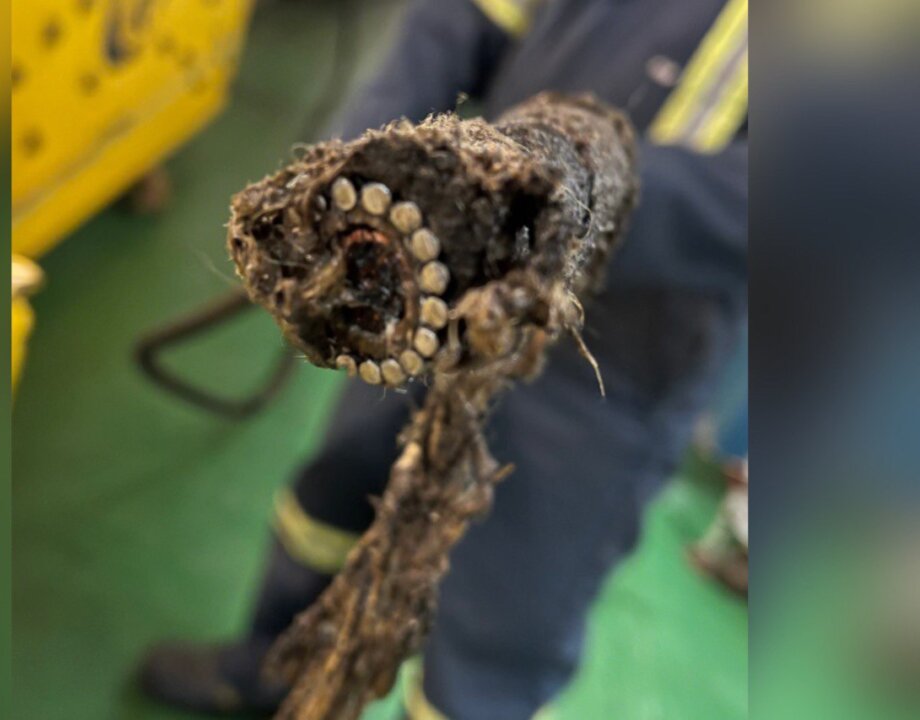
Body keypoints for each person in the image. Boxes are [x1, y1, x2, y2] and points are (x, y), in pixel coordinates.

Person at [140, 0, 748, 717]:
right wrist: (360, 165)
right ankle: (274, 671)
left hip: (619, 363)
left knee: (506, 614)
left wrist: (563, 191)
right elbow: (459, 19)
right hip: (447, 276)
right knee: (342, 485)